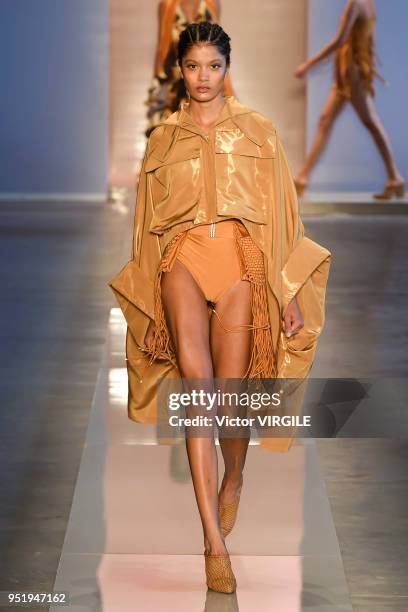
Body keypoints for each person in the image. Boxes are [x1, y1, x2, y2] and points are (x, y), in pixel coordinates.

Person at [109, 22, 332, 594]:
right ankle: (213, 543)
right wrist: (148, 302)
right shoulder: (162, 138)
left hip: (241, 263)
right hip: (181, 259)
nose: (203, 77)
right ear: (178, 70)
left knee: (231, 394)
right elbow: (144, 228)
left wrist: (287, 291)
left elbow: (283, 215)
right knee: (199, 390)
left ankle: (235, 475)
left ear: (226, 67)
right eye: (192, 66)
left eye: (213, 66)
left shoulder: (259, 130)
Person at [294, 0, 404, 200]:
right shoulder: (369, 4)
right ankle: (303, 177)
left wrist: (308, 65)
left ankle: (394, 176)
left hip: (350, 70)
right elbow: (370, 40)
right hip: (350, 68)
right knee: (326, 120)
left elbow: (339, 41)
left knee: (370, 121)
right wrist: (368, 69)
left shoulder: (356, 3)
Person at [145, 0, 234, 137]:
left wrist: (226, 84)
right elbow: (161, 48)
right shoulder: (167, 6)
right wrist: (157, 88)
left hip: (204, 82)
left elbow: (219, 50)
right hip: (175, 85)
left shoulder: (212, 5)